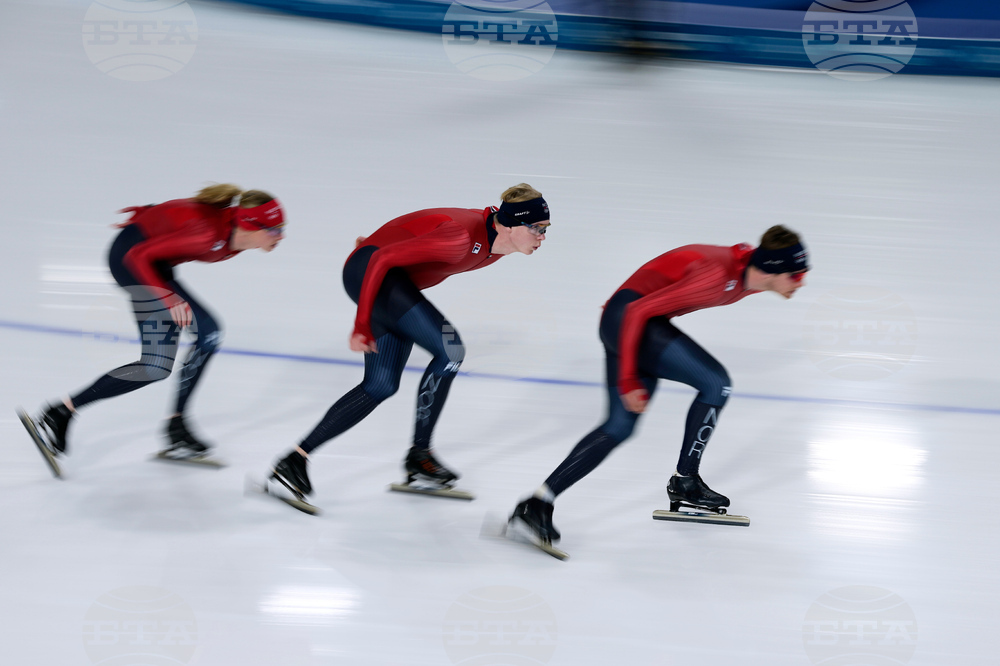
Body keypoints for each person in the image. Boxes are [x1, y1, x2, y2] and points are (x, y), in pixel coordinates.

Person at [509, 225, 809, 546]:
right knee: (716, 384)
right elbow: (639, 309)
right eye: (796, 276)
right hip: (630, 319)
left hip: (631, 321)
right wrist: (627, 379)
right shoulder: (718, 276)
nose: (801, 282)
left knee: (619, 427)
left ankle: (538, 502)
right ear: (773, 270)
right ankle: (685, 482)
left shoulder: (752, 274)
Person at [267, 183, 550, 503]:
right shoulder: (460, 237)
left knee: (380, 385)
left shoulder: (496, 247)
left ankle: (294, 460)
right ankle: (420, 456)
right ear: (509, 224)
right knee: (451, 350)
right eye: (536, 228)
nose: (542, 237)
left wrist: (376, 243)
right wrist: (361, 324)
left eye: (545, 229)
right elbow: (383, 258)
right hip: (373, 273)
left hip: (389, 281)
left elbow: (410, 235)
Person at [21, 184, 285, 472]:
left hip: (154, 261)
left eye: (281, 228)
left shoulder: (235, 233)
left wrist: (150, 217)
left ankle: (60, 413)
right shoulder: (209, 235)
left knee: (155, 365)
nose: (280, 236)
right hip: (132, 260)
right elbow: (138, 256)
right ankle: (177, 426)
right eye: (273, 230)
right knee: (208, 332)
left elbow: (177, 218)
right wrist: (168, 298)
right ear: (248, 224)